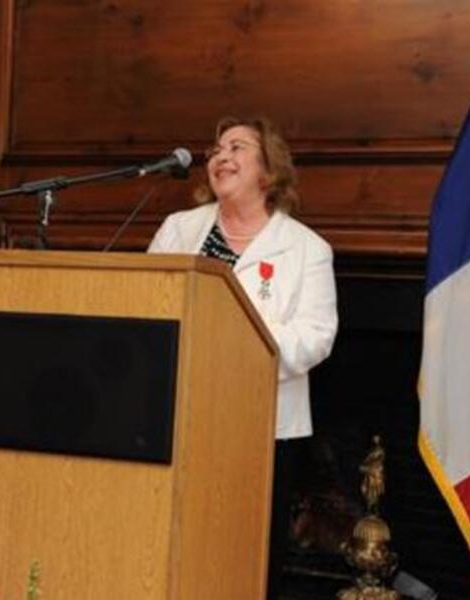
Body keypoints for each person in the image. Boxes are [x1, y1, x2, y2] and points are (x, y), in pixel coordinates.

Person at [148, 116, 338, 599]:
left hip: (260, 428)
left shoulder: (306, 248)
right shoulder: (179, 229)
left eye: (237, 147)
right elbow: (148, 304)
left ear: (268, 172)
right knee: (175, 541)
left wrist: (238, 347)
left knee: (247, 553)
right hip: (180, 417)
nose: (220, 156)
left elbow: (316, 336)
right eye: (215, 149)